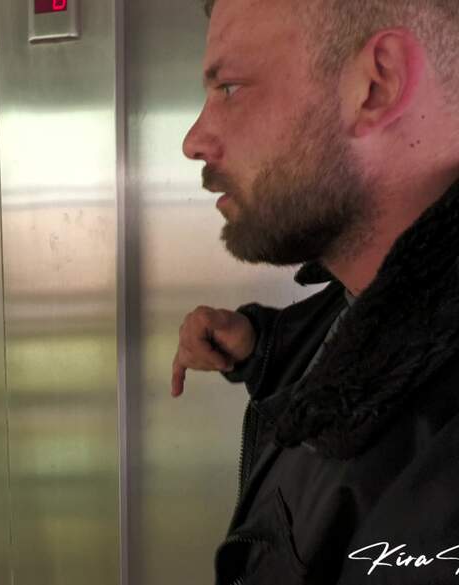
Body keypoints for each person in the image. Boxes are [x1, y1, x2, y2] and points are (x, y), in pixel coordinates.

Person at [171, 0, 459, 583]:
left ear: (376, 86)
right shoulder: (381, 282)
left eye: (230, 88)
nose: (194, 141)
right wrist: (263, 347)